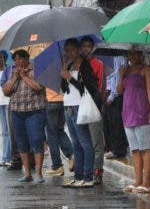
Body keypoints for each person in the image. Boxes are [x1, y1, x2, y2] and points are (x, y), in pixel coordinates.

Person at [61, 38, 101, 188]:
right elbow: (65, 88)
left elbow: (86, 88)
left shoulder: (85, 65)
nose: (68, 52)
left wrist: (69, 77)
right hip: (68, 106)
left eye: (71, 49)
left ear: (77, 50)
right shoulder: (69, 65)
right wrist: (64, 73)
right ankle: (78, 176)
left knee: (85, 142)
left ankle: (88, 176)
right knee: (76, 143)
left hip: (80, 106)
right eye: (66, 50)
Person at [2, 49, 47, 183]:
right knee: (21, 143)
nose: (18, 62)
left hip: (34, 111)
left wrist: (25, 77)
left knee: (36, 140)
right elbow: (6, 91)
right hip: (16, 111)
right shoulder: (12, 73)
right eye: (15, 59)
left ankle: (38, 173)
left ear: (27, 59)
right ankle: (27, 173)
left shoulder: (36, 70)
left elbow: (38, 87)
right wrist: (16, 77)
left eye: (20, 59)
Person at [117, 48, 150, 194]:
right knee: (134, 150)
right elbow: (119, 91)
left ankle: (147, 184)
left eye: (136, 54)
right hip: (128, 114)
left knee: (145, 148)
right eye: (130, 54)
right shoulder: (126, 71)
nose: (132, 56)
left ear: (141, 54)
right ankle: (138, 181)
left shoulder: (146, 70)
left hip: (142, 113)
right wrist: (121, 76)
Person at [80, 36, 105, 184]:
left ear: (92, 47)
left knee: (96, 142)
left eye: (88, 46)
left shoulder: (98, 64)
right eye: (83, 46)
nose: (86, 49)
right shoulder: (76, 64)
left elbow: (100, 85)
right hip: (80, 107)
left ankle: (98, 171)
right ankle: (86, 170)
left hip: (94, 105)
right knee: (84, 142)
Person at [44, 88, 74, 176]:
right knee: (60, 131)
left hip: (50, 101)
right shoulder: (59, 73)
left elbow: (40, 87)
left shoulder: (44, 74)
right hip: (62, 100)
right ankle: (71, 155)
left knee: (52, 136)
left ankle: (57, 166)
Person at [103, 56, 128, 159]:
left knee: (116, 123)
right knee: (107, 123)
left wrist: (112, 95)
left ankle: (118, 149)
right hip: (107, 91)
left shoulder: (119, 57)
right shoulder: (107, 57)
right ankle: (111, 148)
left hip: (116, 94)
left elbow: (118, 76)